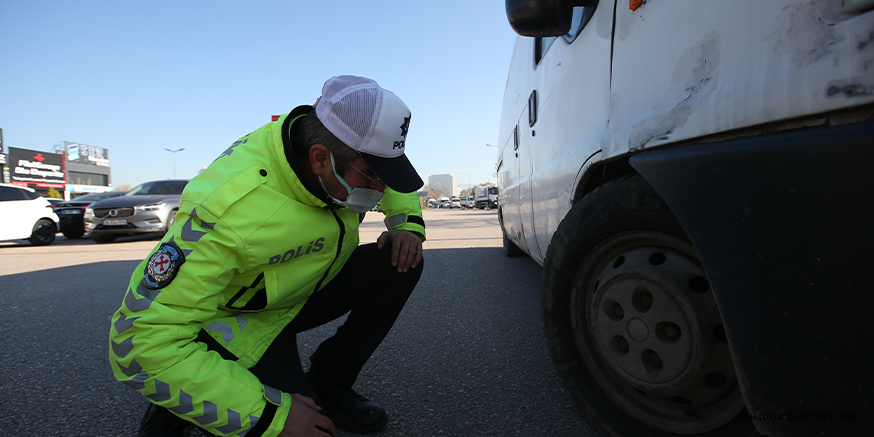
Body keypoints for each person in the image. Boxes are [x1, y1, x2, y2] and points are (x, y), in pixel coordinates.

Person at [109, 75, 426, 437]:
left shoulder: (334, 145)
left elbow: (380, 166)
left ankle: (328, 382)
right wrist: (266, 416)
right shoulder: (226, 211)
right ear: (320, 159)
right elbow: (139, 339)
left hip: (297, 291)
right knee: (305, 430)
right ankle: (183, 396)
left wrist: (406, 224)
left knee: (402, 262)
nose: (381, 189)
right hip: (241, 321)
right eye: (371, 177)